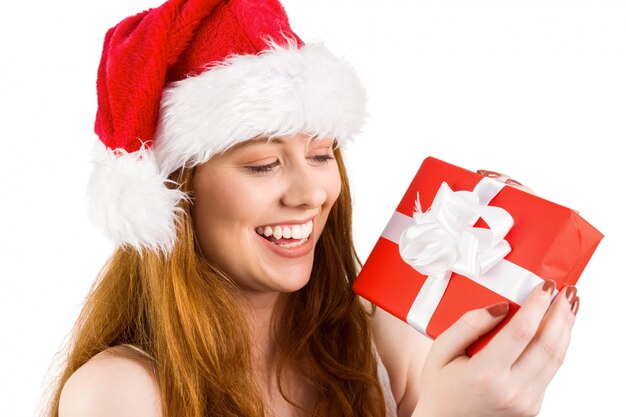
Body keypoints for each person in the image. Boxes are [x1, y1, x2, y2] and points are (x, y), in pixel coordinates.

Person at [44, 1, 580, 416]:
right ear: (174, 198)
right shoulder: (118, 392)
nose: (311, 193)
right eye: (262, 165)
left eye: (321, 154)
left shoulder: (374, 344)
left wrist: (491, 260)